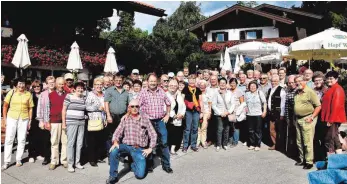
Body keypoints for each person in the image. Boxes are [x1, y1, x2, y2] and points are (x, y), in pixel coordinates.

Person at [106, 99, 157, 184]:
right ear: (129, 108)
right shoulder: (125, 119)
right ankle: (113, 176)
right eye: (132, 106)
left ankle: (132, 164)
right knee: (114, 151)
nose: (134, 108)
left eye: (136, 106)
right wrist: (115, 142)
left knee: (140, 175)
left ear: (139, 107)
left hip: (139, 148)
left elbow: (153, 134)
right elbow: (117, 132)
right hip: (126, 146)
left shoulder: (145, 119)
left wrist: (150, 148)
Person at [137, 73, 173, 173]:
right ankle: (149, 165)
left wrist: (167, 114)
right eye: (151, 81)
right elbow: (136, 106)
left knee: (164, 143)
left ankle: (166, 165)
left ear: (157, 82)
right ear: (147, 82)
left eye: (154, 81)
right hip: (148, 121)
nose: (153, 83)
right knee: (148, 143)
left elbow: (168, 103)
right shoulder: (143, 92)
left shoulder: (161, 91)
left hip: (160, 120)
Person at [2, 77, 34, 170]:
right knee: (9, 139)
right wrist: (4, 119)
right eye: (19, 83)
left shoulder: (28, 94)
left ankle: (18, 159)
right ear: (16, 84)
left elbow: (30, 108)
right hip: (12, 117)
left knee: (22, 139)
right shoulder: (11, 93)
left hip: (24, 118)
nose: (21, 85)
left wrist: (30, 120)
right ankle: (6, 161)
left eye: (23, 83)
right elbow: (5, 106)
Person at [293, 75, 321, 169]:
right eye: (296, 81)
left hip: (307, 118)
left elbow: (318, 106)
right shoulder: (297, 92)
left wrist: (312, 117)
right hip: (298, 119)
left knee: (307, 141)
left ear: (305, 81)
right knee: (299, 141)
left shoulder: (310, 92)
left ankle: (309, 162)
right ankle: (302, 159)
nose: (298, 83)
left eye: (300, 81)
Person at [62, 82, 87, 172]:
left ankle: (77, 162)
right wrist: (64, 123)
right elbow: (64, 110)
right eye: (78, 88)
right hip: (71, 122)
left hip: (81, 123)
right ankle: (70, 164)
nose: (80, 90)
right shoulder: (69, 96)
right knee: (71, 143)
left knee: (79, 143)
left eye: (82, 88)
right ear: (75, 88)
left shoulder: (83, 98)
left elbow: (85, 110)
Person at [105, 74, 130, 160]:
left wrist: (127, 115)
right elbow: (106, 103)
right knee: (110, 136)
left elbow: (129, 106)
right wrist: (108, 115)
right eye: (116, 80)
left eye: (120, 80)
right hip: (112, 115)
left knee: (121, 136)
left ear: (122, 81)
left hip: (122, 116)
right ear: (113, 80)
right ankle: (110, 156)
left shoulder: (126, 92)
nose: (118, 82)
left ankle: (120, 156)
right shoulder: (109, 90)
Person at [321, 71, 346, 155]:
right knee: (335, 138)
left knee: (329, 139)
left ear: (336, 79)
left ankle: (331, 159)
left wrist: (331, 120)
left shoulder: (337, 89)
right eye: (327, 78)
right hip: (330, 118)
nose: (329, 80)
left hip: (333, 119)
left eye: (331, 78)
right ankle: (340, 158)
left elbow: (336, 106)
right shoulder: (331, 88)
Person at [48, 77, 68, 170]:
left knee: (65, 142)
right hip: (54, 121)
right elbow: (47, 109)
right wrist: (47, 121)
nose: (61, 86)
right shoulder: (51, 94)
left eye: (62, 84)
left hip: (65, 121)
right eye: (59, 84)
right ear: (56, 84)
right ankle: (54, 161)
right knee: (54, 142)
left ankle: (64, 160)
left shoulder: (68, 95)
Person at [86, 78, 106, 167]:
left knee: (100, 140)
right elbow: (87, 107)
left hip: (102, 120)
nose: (99, 86)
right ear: (94, 86)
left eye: (100, 84)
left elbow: (105, 109)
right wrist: (97, 108)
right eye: (97, 85)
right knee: (92, 141)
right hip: (93, 120)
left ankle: (98, 157)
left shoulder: (104, 95)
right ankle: (92, 159)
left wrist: (105, 119)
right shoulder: (90, 94)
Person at [36, 76, 55, 165]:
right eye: (49, 82)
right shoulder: (43, 94)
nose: (51, 84)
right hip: (46, 120)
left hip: (56, 120)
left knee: (55, 140)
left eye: (53, 82)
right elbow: (39, 108)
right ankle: (47, 157)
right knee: (46, 140)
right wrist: (40, 120)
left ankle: (55, 157)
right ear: (46, 84)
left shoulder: (58, 93)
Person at [212, 78, 234, 151]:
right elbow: (213, 105)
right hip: (219, 114)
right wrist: (220, 113)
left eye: (224, 83)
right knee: (219, 129)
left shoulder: (230, 93)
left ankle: (225, 144)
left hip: (227, 114)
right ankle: (218, 144)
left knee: (227, 129)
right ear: (218, 83)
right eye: (221, 83)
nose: (222, 84)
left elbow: (233, 104)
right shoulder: (216, 93)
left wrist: (228, 112)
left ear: (226, 84)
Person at [244, 81, 267, 151]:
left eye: (254, 86)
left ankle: (258, 144)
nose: (252, 87)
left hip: (258, 114)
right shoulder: (247, 94)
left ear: (256, 87)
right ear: (249, 87)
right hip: (249, 114)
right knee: (251, 130)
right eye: (251, 86)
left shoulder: (260, 93)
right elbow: (245, 104)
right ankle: (252, 144)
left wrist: (264, 111)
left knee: (258, 130)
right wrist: (245, 110)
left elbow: (264, 102)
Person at [182, 74, 201, 152]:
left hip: (196, 111)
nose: (192, 81)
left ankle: (193, 145)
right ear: (188, 80)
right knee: (187, 129)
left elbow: (200, 100)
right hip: (188, 111)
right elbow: (182, 100)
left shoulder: (198, 89)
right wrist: (187, 103)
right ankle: (185, 145)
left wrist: (201, 111)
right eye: (190, 79)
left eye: (193, 79)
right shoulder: (185, 89)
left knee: (195, 128)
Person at [166, 79, 186, 155]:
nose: (173, 87)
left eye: (175, 86)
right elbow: (165, 107)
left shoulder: (179, 95)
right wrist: (173, 115)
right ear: (168, 86)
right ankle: (167, 149)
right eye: (171, 85)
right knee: (169, 133)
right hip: (169, 118)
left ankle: (173, 149)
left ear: (177, 86)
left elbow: (183, 106)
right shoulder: (166, 95)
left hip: (179, 118)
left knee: (176, 133)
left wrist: (182, 114)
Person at [267, 75, 286, 151]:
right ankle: (275, 144)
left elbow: (283, 103)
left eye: (275, 81)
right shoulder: (270, 89)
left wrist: (282, 114)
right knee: (272, 130)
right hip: (271, 113)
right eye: (272, 81)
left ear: (278, 81)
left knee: (279, 130)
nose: (273, 82)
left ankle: (280, 145)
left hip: (278, 114)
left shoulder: (281, 90)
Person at [312, 71, 328, 161]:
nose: (317, 82)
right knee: (315, 137)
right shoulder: (313, 91)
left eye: (319, 80)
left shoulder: (326, 90)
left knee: (324, 138)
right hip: (315, 117)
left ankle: (324, 157)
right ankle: (317, 156)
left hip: (324, 117)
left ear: (323, 80)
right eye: (316, 80)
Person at [28, 80, 43, 163]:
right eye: (35, 87)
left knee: (40, 137)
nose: (37, 88)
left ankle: (38, 154)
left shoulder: (43, 95)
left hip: (41, 119)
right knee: (32, 138)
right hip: (32, 119)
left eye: (38, 86)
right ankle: (31, 155)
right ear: (32, 88)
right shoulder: (30, 96)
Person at [284, 75, 298, 158]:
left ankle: (298, 153)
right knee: (292, 134)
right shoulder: (287, 91)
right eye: (289, 83)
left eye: (293, 82)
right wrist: (287, 118)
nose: (291, 84)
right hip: (290, 115)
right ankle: (292, 152)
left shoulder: (298, 91)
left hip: (297, 116)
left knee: (298, 135)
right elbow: (286, 106)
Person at [229, 78, 244, 147]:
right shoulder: (228, 91)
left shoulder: (239, 91)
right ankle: (230, 140)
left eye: (234, 83)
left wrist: (240, 113)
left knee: (235, 126)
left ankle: (235, 141)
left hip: (236, 111)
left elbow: (242, 103)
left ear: (236, 84)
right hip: (229, 111)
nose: (232, 84)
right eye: (231, 83)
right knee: (230, 126)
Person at [197, 80, 211, 149]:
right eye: (201, 86)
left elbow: (210, 104)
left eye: (203, 86)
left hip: (206, 111)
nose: (202, 87)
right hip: (198, 112)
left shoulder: (208, 94)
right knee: (198, 128)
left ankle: (203, 142)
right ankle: (197, 142)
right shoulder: (197, 93)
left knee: (204, 127)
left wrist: (210, 112)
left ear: (205, 86)